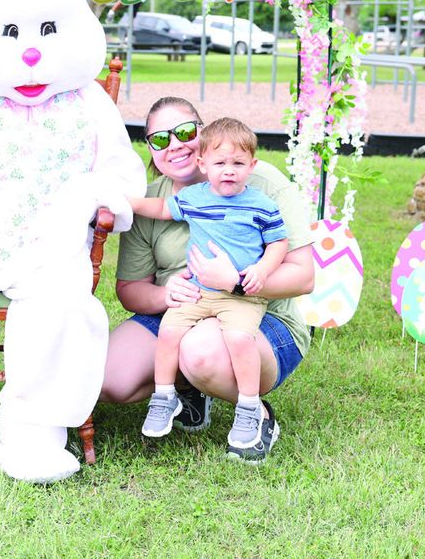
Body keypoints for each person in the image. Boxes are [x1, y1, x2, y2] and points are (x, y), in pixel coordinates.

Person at [102, 97, 314, 463]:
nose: (175, 145)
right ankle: (187, 390)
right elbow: (130, 290)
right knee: (111, 379)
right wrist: (165, 295)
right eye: (159, 139)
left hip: (259, 315)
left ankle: (256, 415)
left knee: (200, 351)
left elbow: (304, 276)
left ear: (203, 133)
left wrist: (235, 282)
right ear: (150, 148)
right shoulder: (153, 201)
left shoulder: (260, 185)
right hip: (185, 307)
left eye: (184, 132)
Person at [125, 117, 288, 451]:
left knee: (240, 338)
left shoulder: (261, 204)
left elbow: (278, 243)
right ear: (203, 164)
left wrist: (262, 269)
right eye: (220, 163)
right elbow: (160, 209)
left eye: (238, 163)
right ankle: (164, 396)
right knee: (169, 331)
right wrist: (124, 202)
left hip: (240, 297)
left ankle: (248, 407)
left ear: (252, 165)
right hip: (199, 292)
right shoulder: (195, 198)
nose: (228, 170)